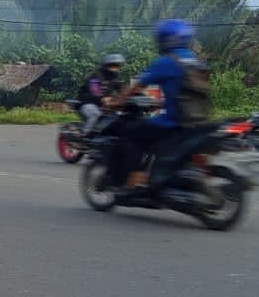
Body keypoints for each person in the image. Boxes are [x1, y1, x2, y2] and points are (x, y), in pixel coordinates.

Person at [111, 19, 205, 189]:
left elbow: (135, 86)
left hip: (172, 124)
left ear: (165, 40)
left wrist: (117, 102)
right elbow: (183, 94)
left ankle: (132, 181)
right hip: (196, 123)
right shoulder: (196, 62)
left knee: (130, 134)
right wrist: (161, 104)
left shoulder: (167, 62)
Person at [79, 54, 126, 132]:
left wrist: (132, 96)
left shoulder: (115, 77)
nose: (116, 68)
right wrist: (103, 98)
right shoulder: (95, 76)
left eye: (118, 65)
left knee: (119, 116)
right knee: (95, 114)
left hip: (104, 104)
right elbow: (95, 91)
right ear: (106, 66)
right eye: (113, 65)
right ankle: (84, 135)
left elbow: (123, 90)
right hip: (88, 103)